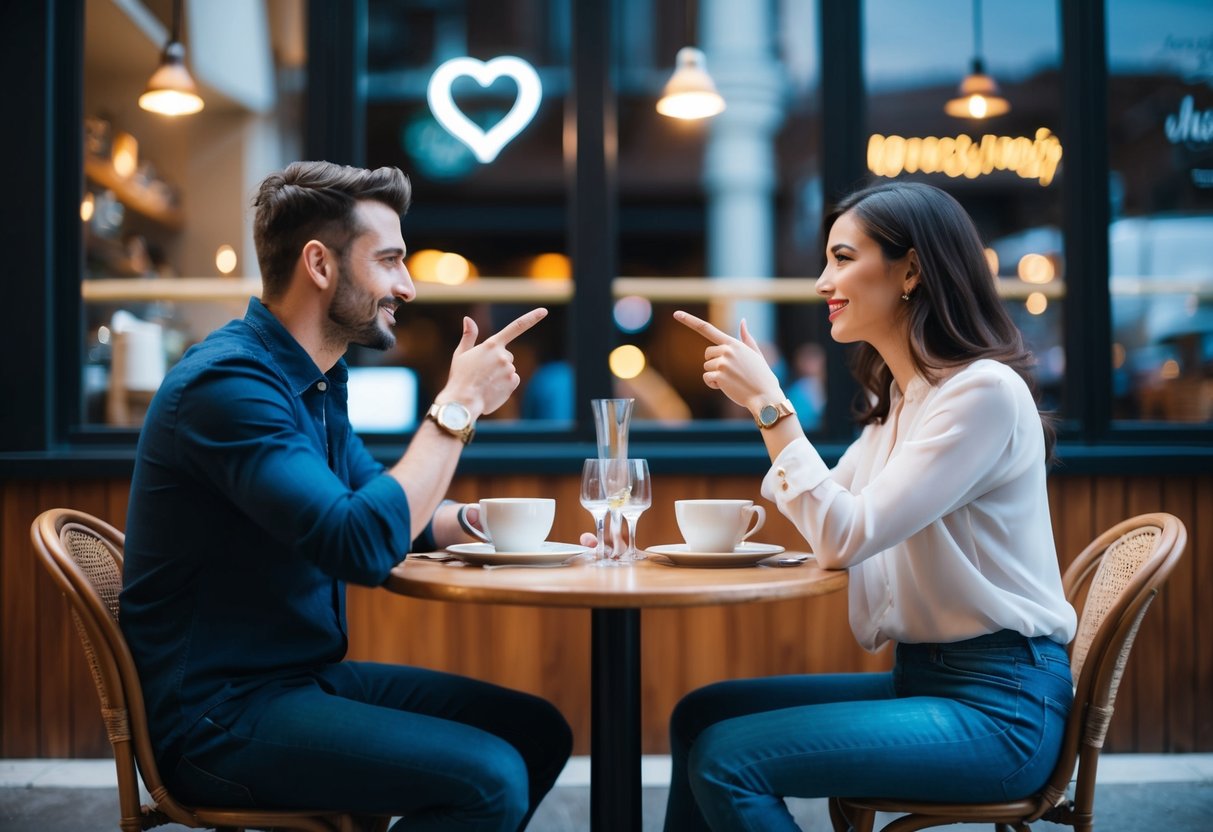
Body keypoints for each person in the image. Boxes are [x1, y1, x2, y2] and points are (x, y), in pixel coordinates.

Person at [120, 161, 575, 832]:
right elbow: (359, 544)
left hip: (297, 681)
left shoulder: (313, 382)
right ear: (319, 264)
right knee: (488, 777)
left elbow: (383, 511)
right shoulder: (228, 387)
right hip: (220, 717)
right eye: (390, 260)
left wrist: (477, 524)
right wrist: (456, 407)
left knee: (534, 732)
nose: (407, 287)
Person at [667, 181, 1078, 831]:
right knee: (702, 716)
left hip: (1001, 710)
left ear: (910, 268)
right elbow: (833, 514)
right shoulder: (902, 400)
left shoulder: (981, 395)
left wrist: (770, 408)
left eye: (840, 258)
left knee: (727, 759)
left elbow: (842, 536)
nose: (820, 282)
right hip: (928, 682)